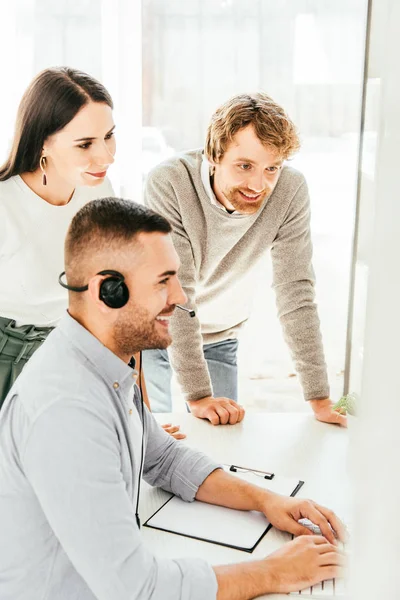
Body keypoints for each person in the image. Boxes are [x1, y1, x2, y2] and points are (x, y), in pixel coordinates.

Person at [0, 197, 345, 600]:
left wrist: (266, 500)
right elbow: (137, 589)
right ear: (108, 292)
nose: (180, 296)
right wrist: (274, 573)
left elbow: (163, 458)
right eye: (163, 280)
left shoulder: (102, 365)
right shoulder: (66, 411)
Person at [143, 92, 347, 428]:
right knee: (158, 435)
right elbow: (177, 288)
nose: (258, 184)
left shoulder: (290, 190)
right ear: (213, 155)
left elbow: (295, 290)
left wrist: (320, 398)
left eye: (271, 168)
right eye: (245, 166)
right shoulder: (170, 182)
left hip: (221, 334)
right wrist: (198, 395)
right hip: (155, 327)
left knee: (222, 438)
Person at [0, 66, 183, 438]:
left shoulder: (98, 190)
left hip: (61, 354)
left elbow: (121, 307)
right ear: (43, 144)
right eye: (85, 144)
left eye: (109, 137)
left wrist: (142, 421)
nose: (106, 157)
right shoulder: (5, 204)